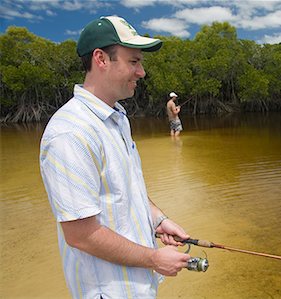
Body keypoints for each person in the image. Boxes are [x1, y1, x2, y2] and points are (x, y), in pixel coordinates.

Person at [39, 16, 191, 299]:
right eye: (134, 61)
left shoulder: (117, 118)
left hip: (139, 286)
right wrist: (155, 259)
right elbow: (80, 235)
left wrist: (158, 220)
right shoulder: (70, 133)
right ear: (101, 59)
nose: (142, 72)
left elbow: (125, 188)